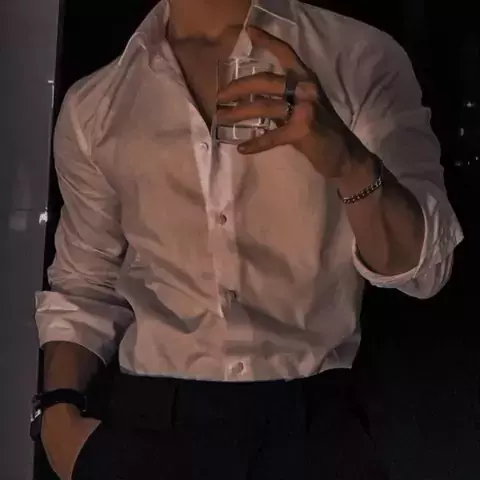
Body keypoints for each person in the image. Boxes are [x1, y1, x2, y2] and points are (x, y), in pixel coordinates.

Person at [33, 0, 463, 479]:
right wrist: (57, 416)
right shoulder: (95, 104)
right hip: (147, 422)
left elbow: (425, 270)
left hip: (312, 424)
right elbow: (85, 284)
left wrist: (349, 163)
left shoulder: (357, 56)